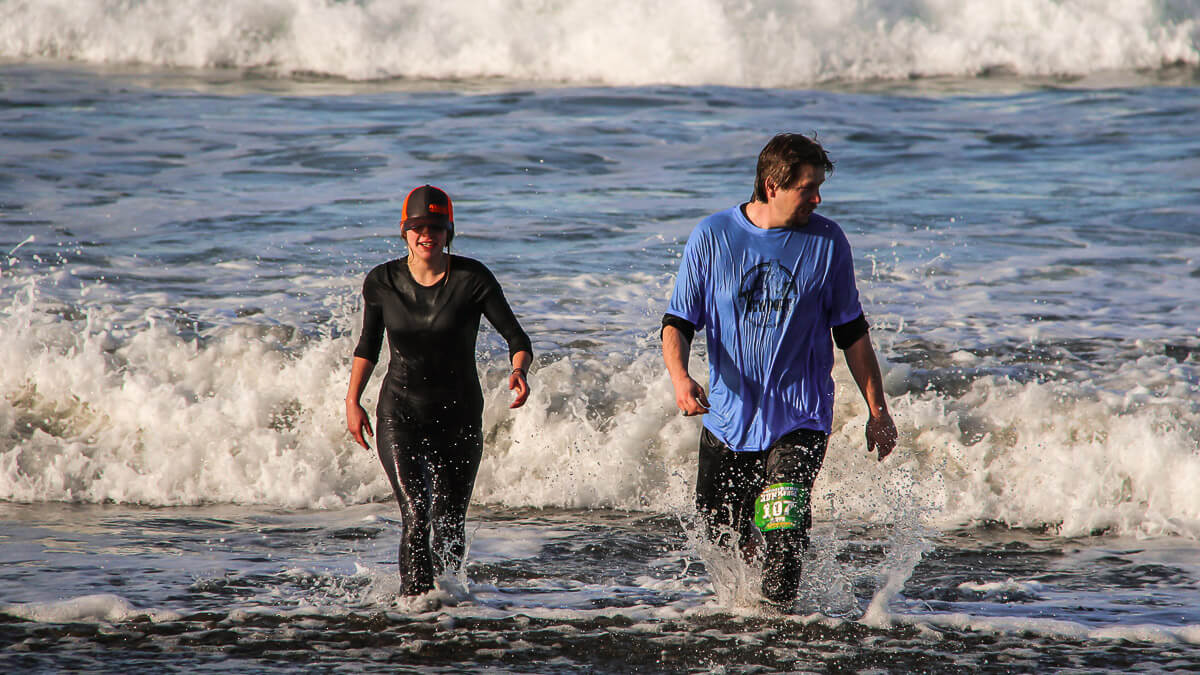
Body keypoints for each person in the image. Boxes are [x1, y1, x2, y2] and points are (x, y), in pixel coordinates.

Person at [660, 133, 897, 609]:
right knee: (722, 539)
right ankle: (750, 630)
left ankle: (779, 638)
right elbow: (678, 322)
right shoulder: (712, 236)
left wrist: (878, 410)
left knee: (784, 535)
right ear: (772, 185)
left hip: (800, 420)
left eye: (818, 187)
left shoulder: (827, 242)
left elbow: (851, 332)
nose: (818, 197)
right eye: (807, 187)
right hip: (727, 422)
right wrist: (680, 378)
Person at [345, 184, 533, 596]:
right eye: (417, 226)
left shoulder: (472, 279)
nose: (425, 233)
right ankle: (416, 607)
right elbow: (367, 347)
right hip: (400, 414)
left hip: (459, 416)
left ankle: (450, 598)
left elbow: (517, 339)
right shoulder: (382, 282)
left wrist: (518, 371)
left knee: (448, 518)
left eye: (435, 225)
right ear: (404, 231)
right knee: (416, 514)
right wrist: (352, 399)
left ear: (449, 230)